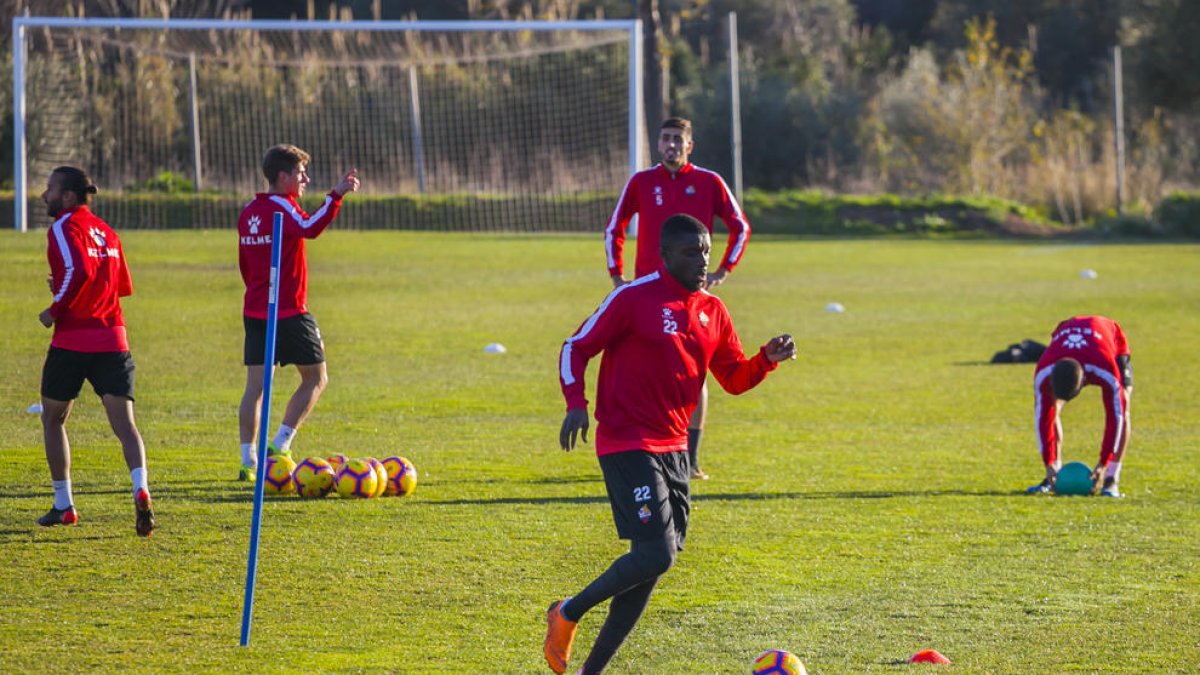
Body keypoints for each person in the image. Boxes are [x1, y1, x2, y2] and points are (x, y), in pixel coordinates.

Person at [545, 214, 796, 674]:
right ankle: (567, 613)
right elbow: (575, 346)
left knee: (653, 561)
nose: (703, 261)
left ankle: (589, 672)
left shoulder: (713, 311)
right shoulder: (633, 298)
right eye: (690, 253)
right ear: (665, 255)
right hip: (626, 442)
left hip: (675, 449)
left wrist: (765, 360)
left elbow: (733, 378)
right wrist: (574, 402)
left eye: (705, 250)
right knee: (656, 553)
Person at [604, 117, 752, 480]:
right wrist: (617, 276)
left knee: (693, 375)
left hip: (690, 294)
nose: (670, 145)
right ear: (658, 144)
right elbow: (615, 227)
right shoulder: (641, 182)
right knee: (640, 369)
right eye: (665, 138)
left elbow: (740, 226)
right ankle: (640, 447)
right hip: (645, 293)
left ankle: (689, 457)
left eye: (677, 139)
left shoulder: (708, 182)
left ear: (690, 145)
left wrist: (723, 269)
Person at [36, 166, 155, 537]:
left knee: (53, 419)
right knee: (126, 426)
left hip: (73, 340)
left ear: (69, 196)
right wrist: (68, 286)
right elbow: (119, 286)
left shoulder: (63, 226)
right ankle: (141, 487)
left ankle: (64, 504)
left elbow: (81, 272)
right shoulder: (108, 232)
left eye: (50, 188)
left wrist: (54, 307)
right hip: (114, 339)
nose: (44, 195)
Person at [237, 144, 359, 480]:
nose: (305, 179)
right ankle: (279, 444)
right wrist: (336, 195)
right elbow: (310, 227)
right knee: (317, 377)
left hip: (255, 309)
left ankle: (248, 462)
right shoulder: (282, 208)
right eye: (300, 173)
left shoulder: (249, 211)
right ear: (283, 176)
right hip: (288, 310)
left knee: (256, 388)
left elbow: (245, 265)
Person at [1028, 315, 1132, 497]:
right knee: (1053, 409)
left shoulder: (1105, 370)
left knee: (1124, 406)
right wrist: (1049, 462)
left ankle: (1111, 479)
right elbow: (1042, 418)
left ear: (1085, 380)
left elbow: (1116, 417)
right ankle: (1054, 475)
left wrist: (1103, 463)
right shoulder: (1043, 372)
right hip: (1067, 329)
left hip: (1110, 339)